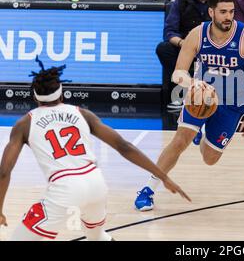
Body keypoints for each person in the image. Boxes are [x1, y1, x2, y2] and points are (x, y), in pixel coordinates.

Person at [0, 59, 190, 241]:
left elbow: (4, 172)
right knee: (97, 236)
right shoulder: (82, 113)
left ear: (34, 97)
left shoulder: (25, 123)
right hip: (96, 183)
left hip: (64, 189)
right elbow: (124, 147)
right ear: (62, 93)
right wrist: (163, 177)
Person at [135, 0, 244, 211]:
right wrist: (193, 84)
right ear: (211, 12)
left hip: (232, 103)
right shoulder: (197, 34)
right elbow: (178, 73)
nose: (228, 17)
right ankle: (148, 189)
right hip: (200, 97)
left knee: (210, 158)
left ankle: (203, 137)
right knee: (179, 141)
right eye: (223, 12)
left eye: (231, 11)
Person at [157, 0, 213, 109]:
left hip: (213, 47)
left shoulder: (219, 1)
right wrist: (184, 44)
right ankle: (184, 90)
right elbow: (169, 32)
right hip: (186, 48)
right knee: (164, 49)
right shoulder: (180, 2)